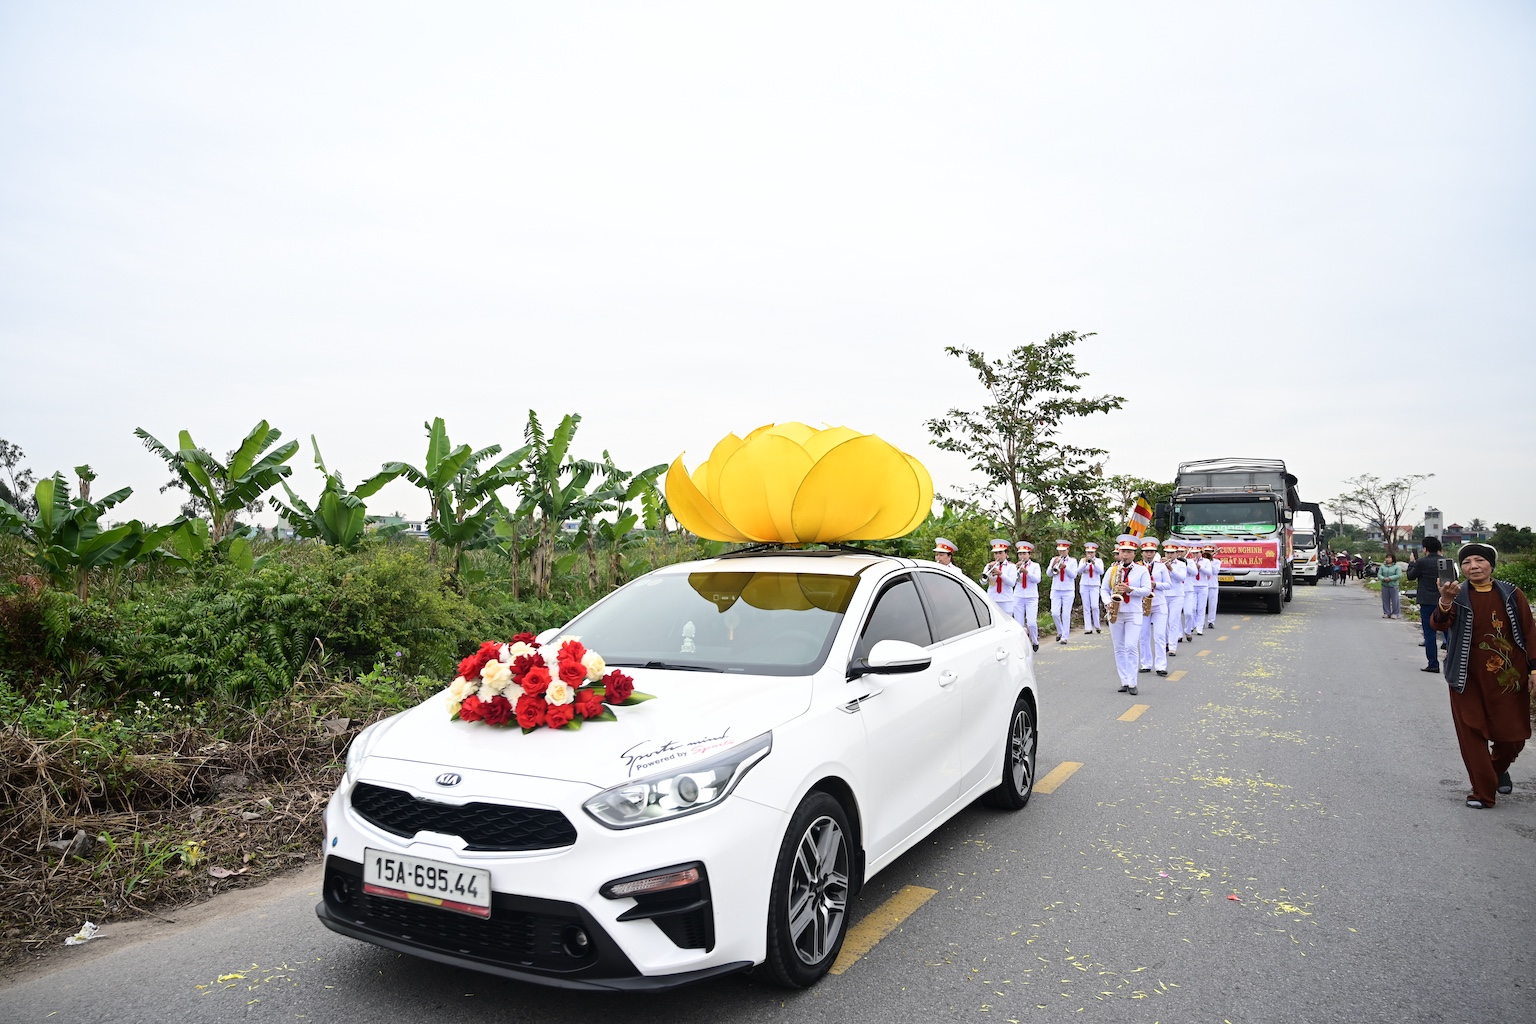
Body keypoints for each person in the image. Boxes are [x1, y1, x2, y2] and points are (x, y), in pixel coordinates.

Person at [1428, 543, 1535, 808]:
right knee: (1472, 734)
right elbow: (1439, 624)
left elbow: (1530, 632)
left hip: (1509, 678)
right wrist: (1445, 600)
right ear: (1460, 568)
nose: (1473, 566)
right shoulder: (1457, 594)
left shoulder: (1512, 594)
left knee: (1513, 737)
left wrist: (1534, 668)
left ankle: (1497, 769)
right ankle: (1483, 792)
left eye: (1479, 560)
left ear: (1491, 565)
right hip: (1466, 677)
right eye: (1466, 562)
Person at [1101, 536, 1151, 695]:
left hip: (1133, 612)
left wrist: (1130, 590)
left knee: (1130, 646)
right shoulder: (1112, 570)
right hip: (1116, 612)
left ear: (1134, 554)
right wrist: (1108, 602)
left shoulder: (1142, 570)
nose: (1125, 555)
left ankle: (1132, 682)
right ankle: (1124, 681)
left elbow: (1147, 590)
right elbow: (1103, 589)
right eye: (1123, 551)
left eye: (1129, 552)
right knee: (1119, 648)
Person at [1408, 536, 1458, 673]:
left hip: (1426, 601)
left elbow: (1410, 576)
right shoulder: (1447, 561)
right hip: (1445, 601)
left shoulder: (1421, 562)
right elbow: (1454, 578)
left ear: (1425, 549)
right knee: (1448, 632)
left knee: (1429, 634)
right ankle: (1452, 663)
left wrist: (1412, 562)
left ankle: (1433, 664)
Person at [1137, 537, 1172, 676]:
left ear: (1155, 553)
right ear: (1142, 553)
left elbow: (1168, 584)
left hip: (1158, 603)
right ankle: (1145, 663)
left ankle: (1161, 666)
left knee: (1159, 635)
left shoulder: (1161, 566)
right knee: (1143, 635)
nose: (1149, 554)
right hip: (1143, 604)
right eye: (1146, 551)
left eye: (1151, 551)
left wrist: (1156, 584)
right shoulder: (1137, 567)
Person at [1047, 539, 1079, 643]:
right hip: (1056, 589)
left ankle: (1065, 637)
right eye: (1060, 550)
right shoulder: (1054, 559)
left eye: (1063, 550)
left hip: (1068, 590)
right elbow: (1049, 574)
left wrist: (1065, 567)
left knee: (1065, 614)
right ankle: (1060, 631)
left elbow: (1074, 575)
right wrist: (1053, 565)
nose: (1061, 553)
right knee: (1054, 613)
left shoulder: (1073, 561)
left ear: (1067, 550)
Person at [1013, 540, 1043, 652]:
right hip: (1018, 596)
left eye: (1024, 554)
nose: (1022, 556)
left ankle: (1035, 640)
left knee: (1031, 623)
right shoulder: (1015, 566)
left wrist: (1026, 572)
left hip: (1031, 597)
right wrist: (1016, 571)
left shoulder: (1035, 566)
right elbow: (1012, 581)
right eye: (1020, 554)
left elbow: (1037, 579)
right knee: (1019, 624)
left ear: (1029, 554)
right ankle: (1023, 645)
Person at [1161, 540, 1187, 657]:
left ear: (1176, 553)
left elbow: (1182, 578)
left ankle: (1172, 646)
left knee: (1173, 621)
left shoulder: (1181, 564)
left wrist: (1170, 568)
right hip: (1163, 595)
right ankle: (1166, 642)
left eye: (1172, 553)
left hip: (1176, 595)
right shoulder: (1160, 564)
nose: (1169, 555)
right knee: (1163, 621)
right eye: (1167, 553)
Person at [981, 539, 1018, 620]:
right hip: (992, 598)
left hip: (1006, 600)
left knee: (1007, 623)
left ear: (1006, 554)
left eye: (1000, 553)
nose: (998, 556)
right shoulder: (989, 566)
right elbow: (983, 582)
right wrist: (987, 569)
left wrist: (1001, 574)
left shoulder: (1011, 567)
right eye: (996, 553)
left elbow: (1012, 583)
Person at [1078, 541, 1105, 634]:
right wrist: (1086, 563)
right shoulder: (1083, 560)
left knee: (1094, 606)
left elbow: (1101, 572)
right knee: (1086, 607)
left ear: (1095, 552)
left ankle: (1097, 625)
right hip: (1084, 584)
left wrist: (1094, 564)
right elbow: (1079, 570)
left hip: (1095, 585)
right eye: (1088, 552)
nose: (1090, 554)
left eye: (1092, 552)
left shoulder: (1099, 561)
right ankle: (1088, 627)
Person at [1377, 551, 1404, 618]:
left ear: (1393, 559)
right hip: (1384, 585)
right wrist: (1383, 578)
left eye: (1389, 558)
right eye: (1387, 558)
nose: (1387, 559)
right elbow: (1379, 574)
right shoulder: (1382, 566)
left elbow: (1399, 575)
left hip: (1393, 585)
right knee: (1385, 600)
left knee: (1395, 600)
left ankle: (1395, 613)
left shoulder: (1397, 567)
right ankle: (1386, 612)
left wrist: (1390, 578)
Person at [1204, 542, 1222, 629]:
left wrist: (1210, 561)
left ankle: (1211, 621)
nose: (1208, 553)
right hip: (1203, 585)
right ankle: (1200, 621)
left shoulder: (1217, 562)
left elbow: (1215, 571)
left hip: (1213, 585)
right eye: (1206, 551)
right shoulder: (1201, 561)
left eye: (1210, 551)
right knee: (1201, 605)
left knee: (1213, 605)